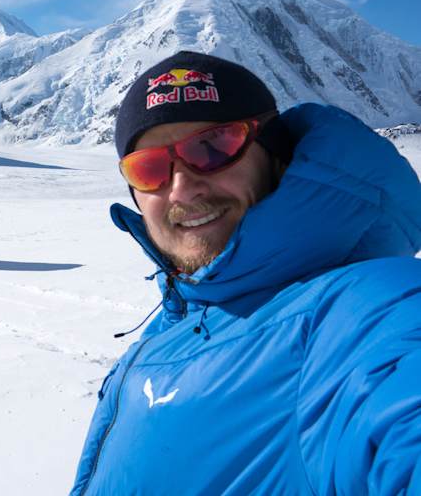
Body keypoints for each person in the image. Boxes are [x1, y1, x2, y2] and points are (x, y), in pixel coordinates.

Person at [70, 51, 421, 495]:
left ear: (276, 158)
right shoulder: (179, 319)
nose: (181, 187)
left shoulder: (362, 311)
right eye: (150, 168)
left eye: (213, 147)